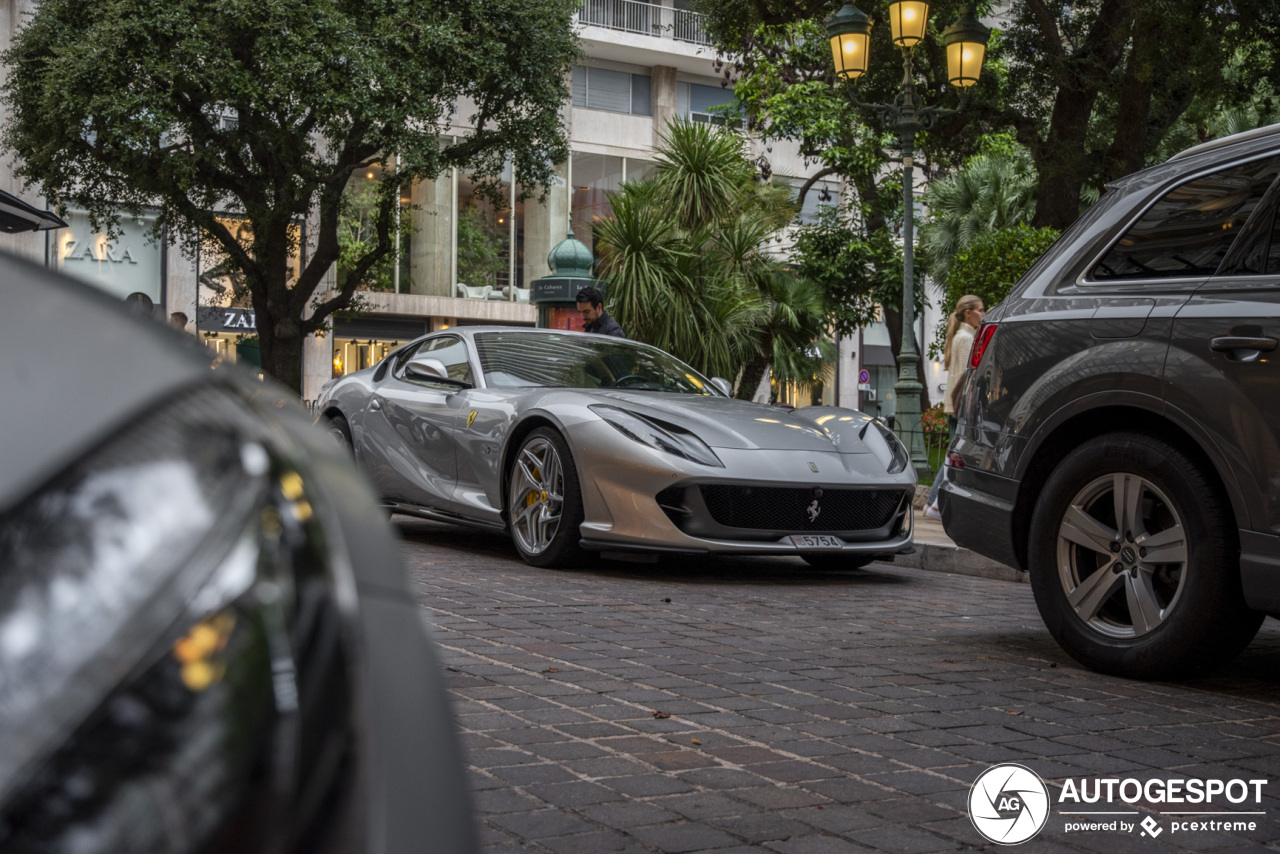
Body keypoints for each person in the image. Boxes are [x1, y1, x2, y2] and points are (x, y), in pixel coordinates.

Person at [924, 294, 985, 520]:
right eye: (980, 310)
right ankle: (935, 505)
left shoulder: (961, 335)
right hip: (962, 408)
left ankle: (933, 504)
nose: (983, 314)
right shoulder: (966, 338)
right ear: (968, 313)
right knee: (955, 458)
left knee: (955, 456)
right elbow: (965, 377)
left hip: (956, 407)